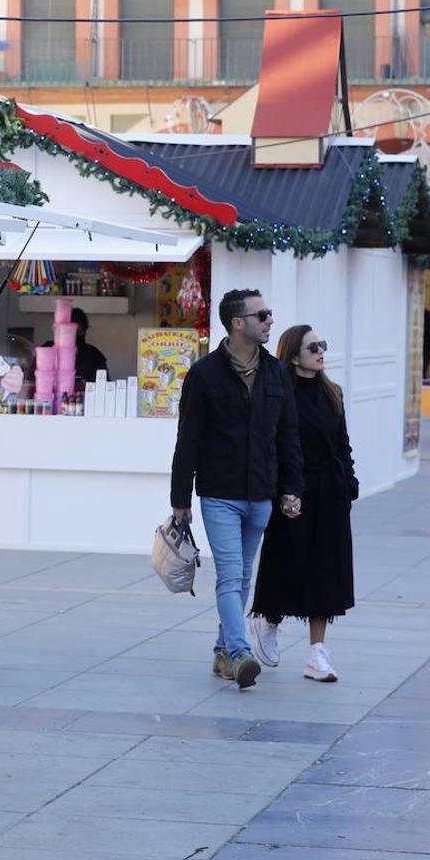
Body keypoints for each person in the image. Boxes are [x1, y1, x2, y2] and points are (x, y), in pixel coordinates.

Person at [170, 289, 304, 690]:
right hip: (220, 493)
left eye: (270, 312)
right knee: (230, 574)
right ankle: (240, 653)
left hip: (261, 492)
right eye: (261, 314)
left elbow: (289, 436)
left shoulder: (278, 372)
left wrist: (292, 487)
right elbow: (188, 439)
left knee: (244, 577)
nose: (269, 321)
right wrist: (180, 499)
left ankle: (221, 650)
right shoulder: (204, 374)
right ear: (237, 323)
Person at [249, 326, 357, 683]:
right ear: (294, 355)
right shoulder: (280, 395)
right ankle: (269, 621)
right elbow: (272, 446)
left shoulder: (332, 393)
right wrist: (283, 491)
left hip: (330, 493)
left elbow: (342, 444)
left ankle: (317, 654)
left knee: (326, 573)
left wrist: (349, 484)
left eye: (323, 345)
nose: (321, 352)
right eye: (313, 347)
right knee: (287, 566)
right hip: (293, 493)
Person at [42, 307, 109, 382]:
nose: (68, 330)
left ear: (83, 331)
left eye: (73, 328)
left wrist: (84, 385)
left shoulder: (94, 355)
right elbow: (32, 381)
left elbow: (104, 386)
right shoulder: (47, 350)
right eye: (66, 327)